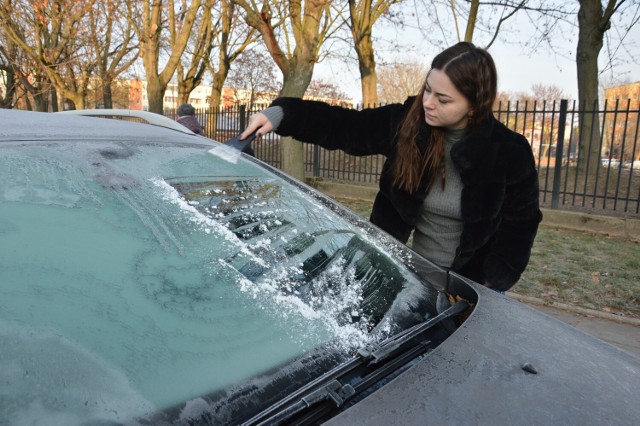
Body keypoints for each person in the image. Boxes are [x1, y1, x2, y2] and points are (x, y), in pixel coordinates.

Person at [240, 42, 542, 292]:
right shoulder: (407, 122)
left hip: (472, 289)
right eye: (427, 90)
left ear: (475, 105)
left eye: (443, 99)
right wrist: (282, 114)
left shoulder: (509, 152)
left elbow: (521, 224)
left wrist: (493, 282)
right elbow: (346, 126)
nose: (428, 103)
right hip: (402, 275)